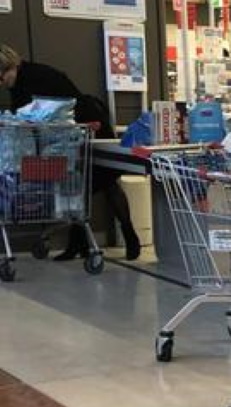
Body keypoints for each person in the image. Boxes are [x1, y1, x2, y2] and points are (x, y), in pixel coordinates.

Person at [0, 45, 141, 262]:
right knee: (80, 185)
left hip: (87, 127)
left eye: (2, 77)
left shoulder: (36, 77)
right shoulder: (22, 80)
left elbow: (50, 111)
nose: (2, 83)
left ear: (10, 67)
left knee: (102, 182)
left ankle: (126, 236)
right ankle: (80, 243)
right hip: (70, 132)